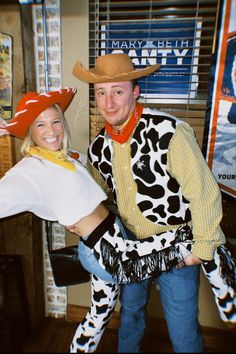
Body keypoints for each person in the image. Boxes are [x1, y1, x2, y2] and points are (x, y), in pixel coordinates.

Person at [0, 87, 215, 353]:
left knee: (97, 318)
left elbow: (83, 189)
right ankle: (228, 295)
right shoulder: (30, 170)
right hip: (107, 252)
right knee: (185, 244)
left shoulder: (62, 158)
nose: (51, 130)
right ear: (30, 131)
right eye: (40, 124)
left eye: (55, 121)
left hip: (114, 237)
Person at [72, 53, 236, 353]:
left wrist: (200, 251)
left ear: (135, 92)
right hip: (132, 248)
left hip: (178, 249)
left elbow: (204, 193)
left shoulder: (170, 132)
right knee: (131, 314)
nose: (108, 102)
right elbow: (96, 197)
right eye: (101, 93)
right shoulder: (98, 147)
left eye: (118, 91)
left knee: (183, 329)